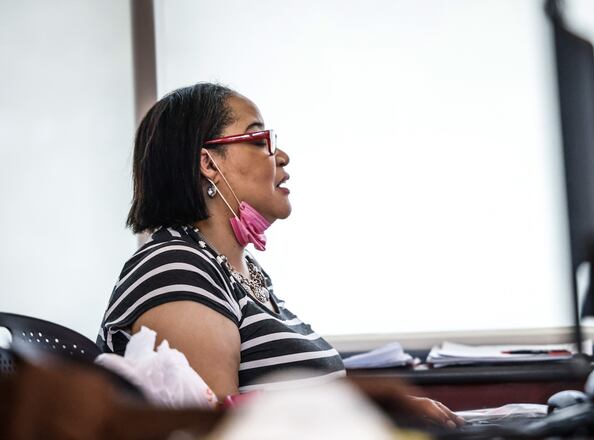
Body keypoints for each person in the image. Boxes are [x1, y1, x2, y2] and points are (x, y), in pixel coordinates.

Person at [98, 83, 463, 428]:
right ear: (209, 164)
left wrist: (383, 416)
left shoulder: (241, 272)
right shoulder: (176, 269)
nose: (282, 156)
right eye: (260, 140)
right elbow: (216, 431)